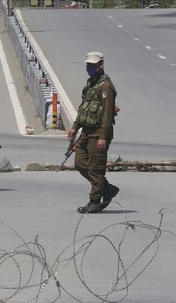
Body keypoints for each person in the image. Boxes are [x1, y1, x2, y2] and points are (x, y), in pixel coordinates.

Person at [67, 51, 120, 214]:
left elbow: (106, 114)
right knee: (80, 163)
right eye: (88, 65)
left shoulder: (106, 86)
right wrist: (75, 126)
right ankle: (107, 188)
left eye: (92, 65)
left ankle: (95, 200)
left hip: (98, 133)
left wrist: (103, 136)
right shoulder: (91, 83)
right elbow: (84, 107)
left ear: (101, 65)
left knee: (95, 168)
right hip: (86, 131)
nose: (89, 68)